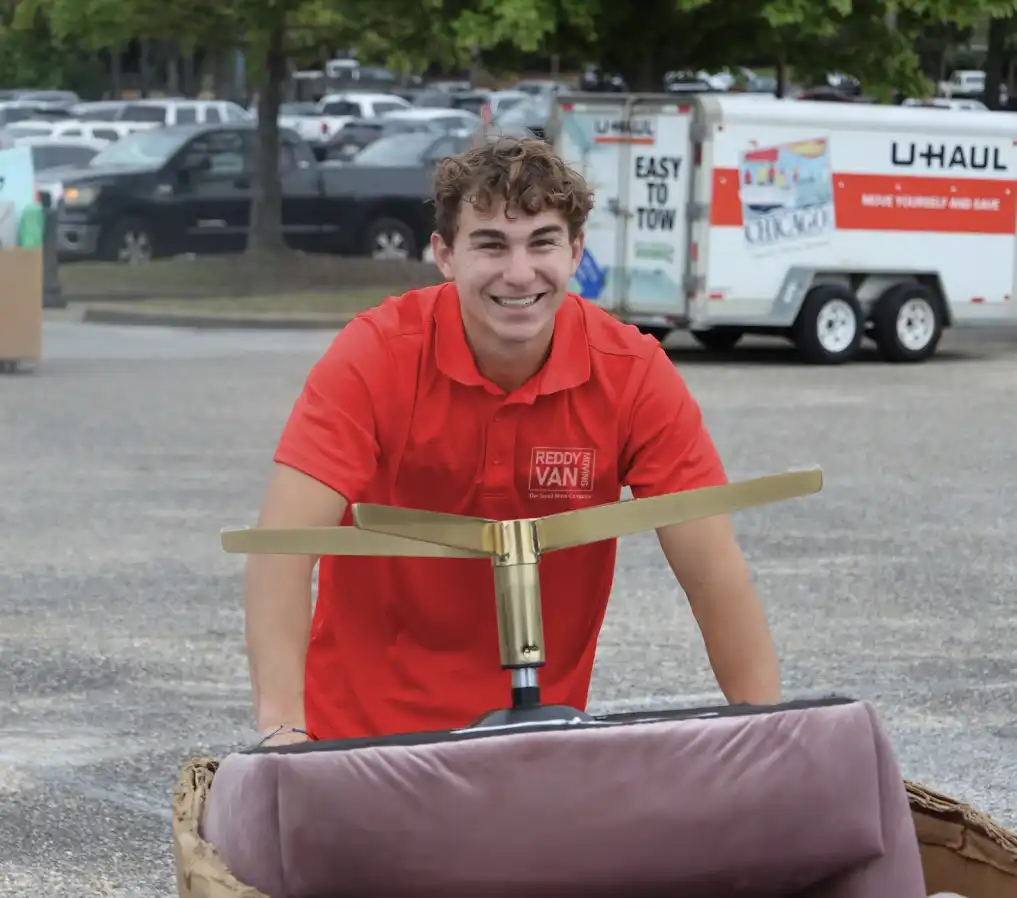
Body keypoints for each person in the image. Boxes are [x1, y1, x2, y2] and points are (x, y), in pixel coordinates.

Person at [243, 135, 781, 747]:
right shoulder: (377, 354)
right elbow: (279, 554)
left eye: (542, 242)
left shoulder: (630, 371)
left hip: (537, 746)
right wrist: (282, 732)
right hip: (363, 744)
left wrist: (767, 734)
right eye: (491, 245)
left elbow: (712, 572)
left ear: (576, 250)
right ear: (444, 255)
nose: (519, 272)